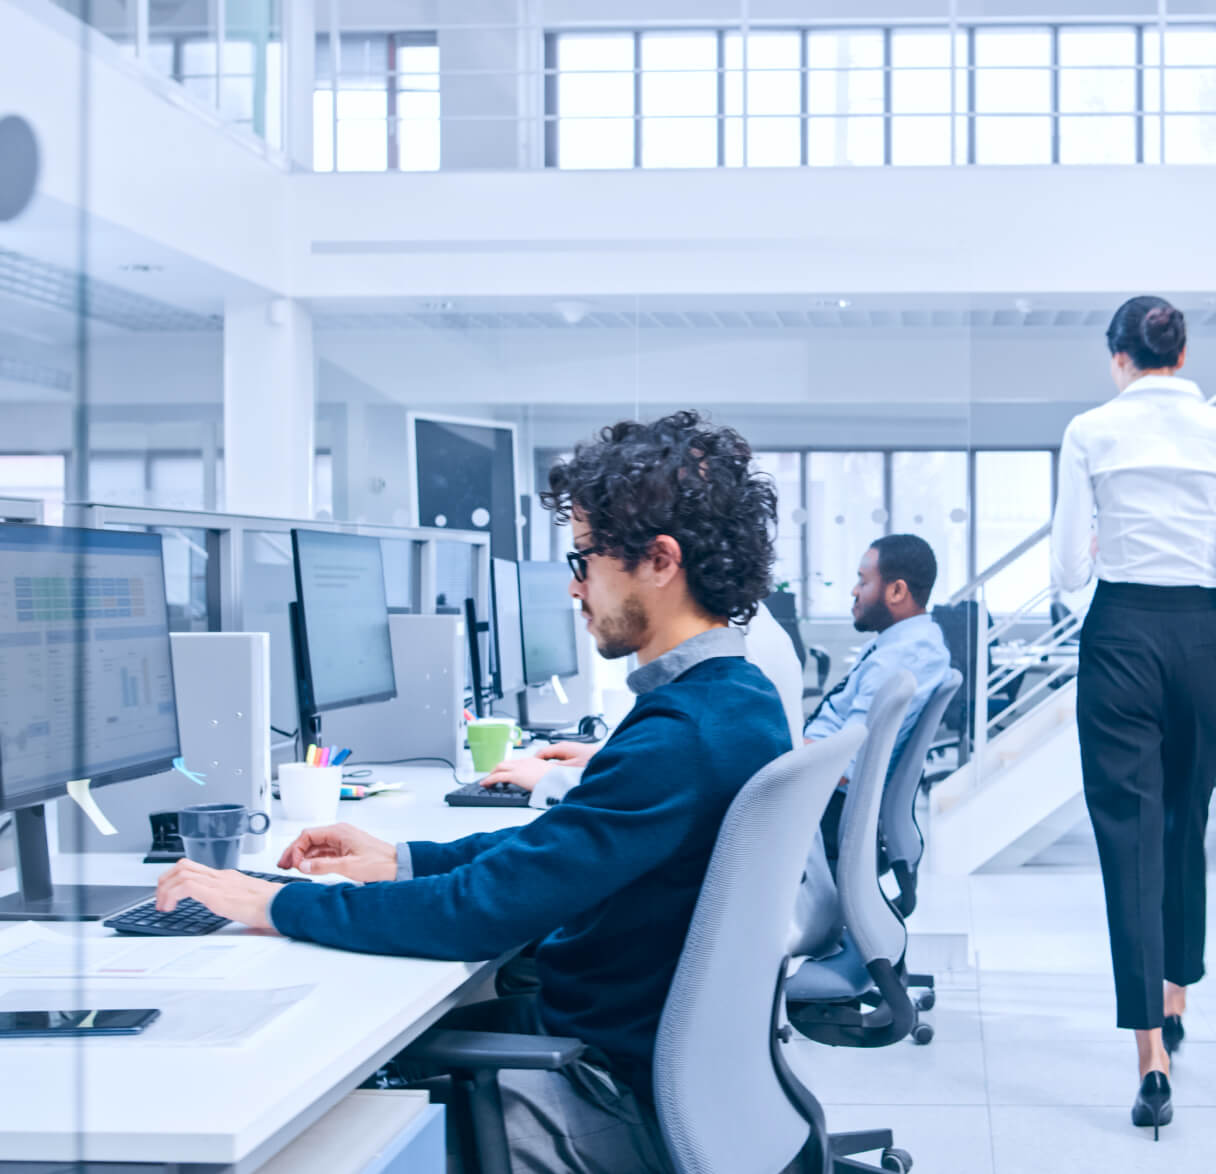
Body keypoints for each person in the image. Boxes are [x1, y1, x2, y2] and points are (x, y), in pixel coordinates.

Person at [156, 410, 790, 1173]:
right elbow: (567, 846)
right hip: (647, 1061)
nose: (574, 584)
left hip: (594, 1084)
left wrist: (276, 903)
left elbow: (479, 916)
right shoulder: (733, 699)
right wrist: (406, 859)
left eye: (585, 558)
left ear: (659, 561)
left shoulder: (681, 734)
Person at [1051, 295, 1216, 1140]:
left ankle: (1150, 1054)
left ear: (1120, 359)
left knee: (1131, 841)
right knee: (1189, 822)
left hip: (1122, 635)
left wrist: (1095, 554)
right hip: (1207, 634)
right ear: (1181, 357)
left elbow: (1066, 576)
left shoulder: (1093, 431)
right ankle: (1180, 992)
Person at [484, 593, 806, 807]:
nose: (577, 588)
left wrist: (554, 780)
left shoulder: (724, 666)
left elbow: (672, 778)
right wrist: (608, 759)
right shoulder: (746, 629)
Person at [803, 534, 951, 862]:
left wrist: (783, 753)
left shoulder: (903, 657)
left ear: (897, 591)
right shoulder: (902, 644)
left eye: (863, 580)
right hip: (820, 796)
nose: (854, 590)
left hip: (821, 808)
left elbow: (844, 761)